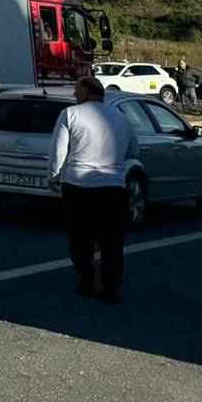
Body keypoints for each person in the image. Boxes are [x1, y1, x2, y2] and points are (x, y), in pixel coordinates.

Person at [49, 78, 138, 302]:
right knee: (112, 241)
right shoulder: (122, 119)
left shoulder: (71, 114)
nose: (74, 95)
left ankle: (86, 278)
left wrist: (54, 176)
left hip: (78, 185)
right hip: (113, 187)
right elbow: (134, 150)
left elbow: (58, 150)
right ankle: (111, 286)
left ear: (87, 91)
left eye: (77, 91)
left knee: (80, 237)